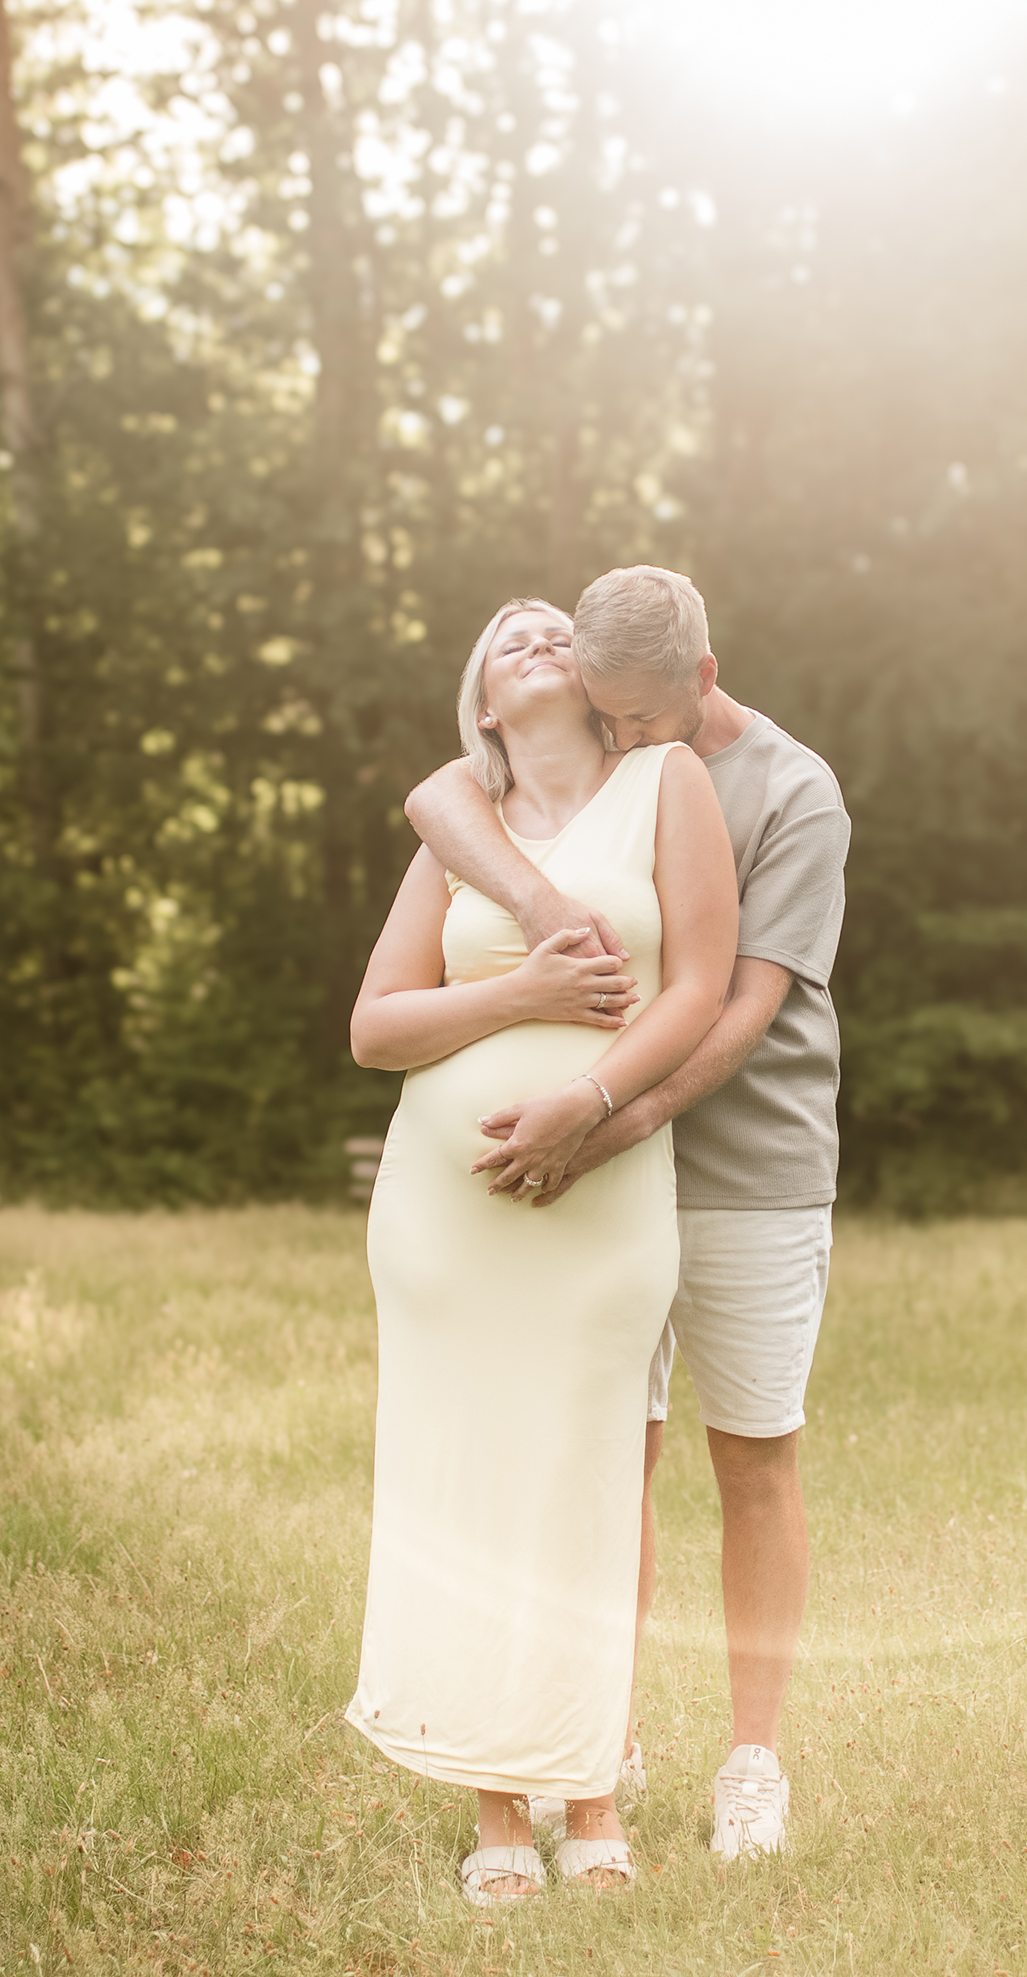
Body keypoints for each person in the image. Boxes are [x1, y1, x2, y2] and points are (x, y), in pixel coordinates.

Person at [404, 565, 850, 1862]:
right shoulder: (594, 747)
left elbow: (746, 1001)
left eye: (649, 722)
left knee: (754, 1452)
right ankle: (598, 1736)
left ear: (702, 683)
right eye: (613, 719)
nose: (631, 744)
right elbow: (447, 796)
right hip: (599, 1170)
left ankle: (753, 1760)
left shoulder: (793, 791)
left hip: (744, 1164)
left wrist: (613, 1117)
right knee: (613, 1457)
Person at [346, 597, 737, 1909]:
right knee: (469, 1491)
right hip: (445, 1223)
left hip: (605, 1203)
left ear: (596, 677)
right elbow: (376, 1027)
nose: (532, 636)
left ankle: (591, 1793)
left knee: (584, 1480)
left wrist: (591, 1098)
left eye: (552, 628)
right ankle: (498, 1808)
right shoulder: (462, 831)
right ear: (485, 706)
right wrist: (518, 997)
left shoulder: (664, 782)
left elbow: (699, 982)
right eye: (504, 639)